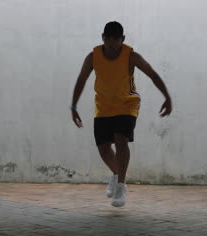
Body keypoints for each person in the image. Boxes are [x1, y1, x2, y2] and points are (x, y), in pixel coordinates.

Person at [70, 21, 172, 207]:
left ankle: (121, 186)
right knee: (103, 147)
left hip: (127, 105)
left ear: (122, 39)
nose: (111, 43)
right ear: (103, 38)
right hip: (103, 107)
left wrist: (167, 97)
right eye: (107, 39)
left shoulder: (131, 56)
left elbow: (152, 74)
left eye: (115, 39)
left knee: (121, 139)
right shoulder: (92, 57)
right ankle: (117, 174)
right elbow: (81, 80)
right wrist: (74, 107)